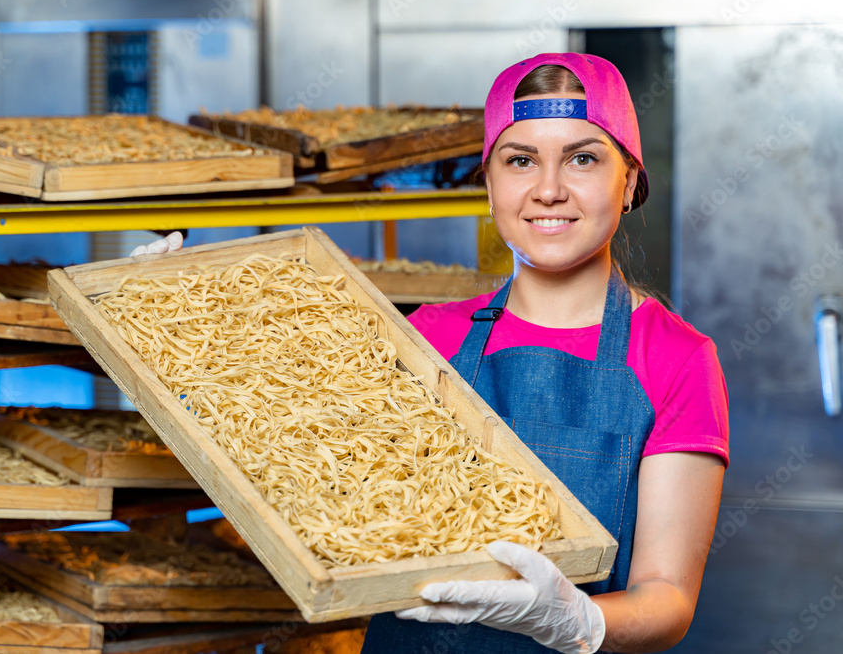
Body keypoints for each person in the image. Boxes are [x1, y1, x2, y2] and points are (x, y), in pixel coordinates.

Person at [132, 52, 729, 654]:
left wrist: (578, 620)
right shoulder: (422, 337)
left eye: (582, 158)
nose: (549, 190)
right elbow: (295, 459)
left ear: (627, 182)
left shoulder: (677, 359)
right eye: (520, 160)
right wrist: (175, 326)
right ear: (489, 184)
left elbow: (667, 599)